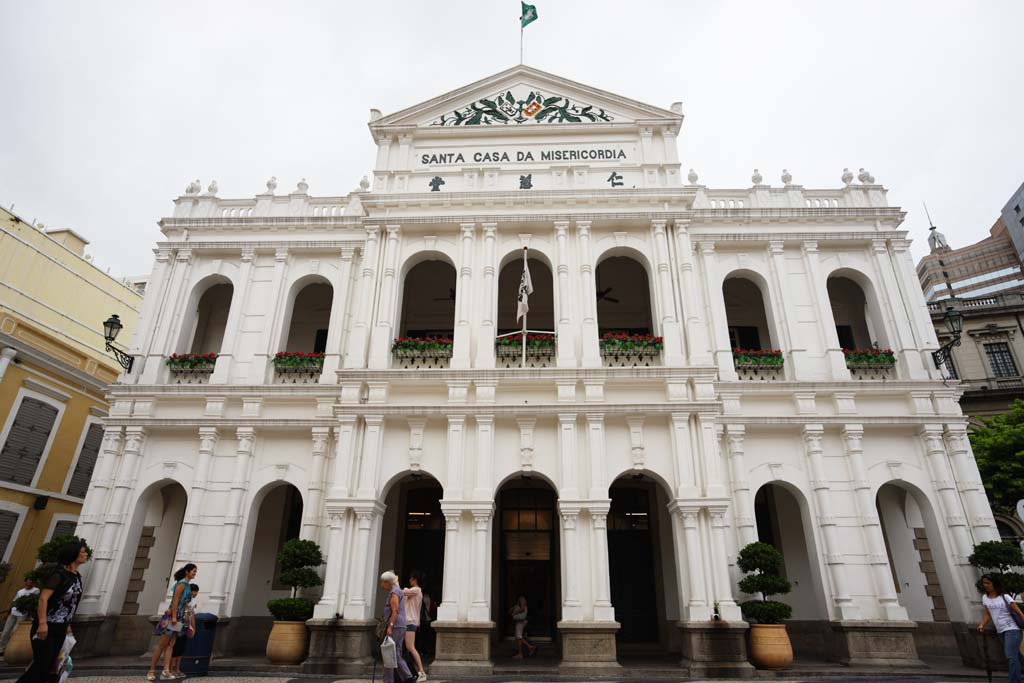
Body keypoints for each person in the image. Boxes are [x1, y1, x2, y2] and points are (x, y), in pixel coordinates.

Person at [16, 539, 88, 683]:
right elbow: (43, 599)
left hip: (61, 627)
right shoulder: (58, 575)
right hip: (47, 626)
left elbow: (70, 604)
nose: (86, 554)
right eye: (83, 552)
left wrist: (67, 626)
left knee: (53, 666)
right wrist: (42, 623)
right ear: (73, 554)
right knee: (42, 665)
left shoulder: (76, 577)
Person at [147, 564, 196, 681]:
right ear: (187, 572)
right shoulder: (181, 584)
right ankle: (151, 670)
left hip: (180, 618)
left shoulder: (188, 586)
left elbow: (185, 604)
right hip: (173, 617)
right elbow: (175, 601)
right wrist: (173, 616)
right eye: (193, 571)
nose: (195, 573)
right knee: (162, 644)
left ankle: (166, 670)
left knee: (171, 644)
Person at [978, 573, 1024, 683]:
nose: (985, 585)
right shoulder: (985, 598)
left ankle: (1014, 681)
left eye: (988, 583)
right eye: (984, 583)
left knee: (1010, 656)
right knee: (1016, 655)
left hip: (1012, 629)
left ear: (995, 584)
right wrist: (982, 624)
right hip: (1000, 630)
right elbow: (988, 614)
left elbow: (1019, 613)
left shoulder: (1005, 597)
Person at [379, 570, 413, 683]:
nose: (381, 585)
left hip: (396, 626)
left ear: (388, 582)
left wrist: (390, 626)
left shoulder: (394, 592)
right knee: (393, 653)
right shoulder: (396, 591)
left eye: (383, 582)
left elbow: (395, 611)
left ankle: (401, 678)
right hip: (399, 625)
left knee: (389, 653)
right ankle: (406, 677)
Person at [0, 577, 39, 655]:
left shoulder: (36, 591)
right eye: (28, 580)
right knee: (6, 631)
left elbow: (33, 603)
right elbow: (14, 602)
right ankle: (1, 648)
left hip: (22, 614)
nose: (29, 582)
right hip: (14, 612)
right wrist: (9, 612)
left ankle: (9, 649)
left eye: (31, 580)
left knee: (14, 632)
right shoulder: (20, 591)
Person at [168, 584, 199, 678]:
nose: (196, 594)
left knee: (181, 649)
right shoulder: (185, 600)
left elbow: (191, 615)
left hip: (185, 626)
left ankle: (177, 669)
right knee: (176, 647)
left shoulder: (191, 602)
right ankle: (171, 669)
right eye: (196, 591)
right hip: (179, 624)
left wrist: (193, 627)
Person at [402, 571, 427, 682]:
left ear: (415, 579)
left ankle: (421, 672)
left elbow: (402, 592)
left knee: (410, 647)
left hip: (410, 622)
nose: (409, 580)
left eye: (411, 578)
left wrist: (394, 583)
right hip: (410, 622)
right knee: (409, 648)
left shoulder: (416, 590)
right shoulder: (416, 591)